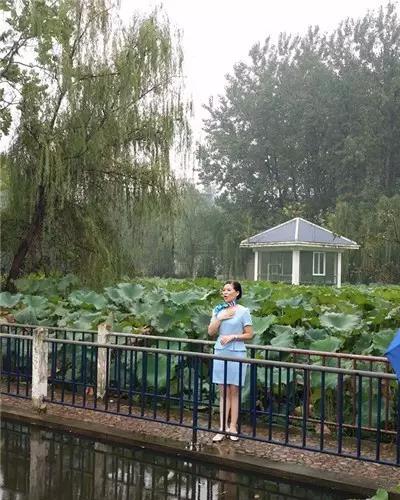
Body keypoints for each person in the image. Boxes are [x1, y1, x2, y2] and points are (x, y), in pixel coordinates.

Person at [208, 281, 253, 442]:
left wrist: (233, 336)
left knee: (234, 391)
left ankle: (233, 427)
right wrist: (219, 318)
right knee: (223, 392)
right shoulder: (218, 310)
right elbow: (211, 332)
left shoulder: (243, 311)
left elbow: (249, 334)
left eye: (228, 290)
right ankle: (222, 427)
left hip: (237, 352)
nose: (225, 292)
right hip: (221, 351)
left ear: (237, 293)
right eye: (223, 290)